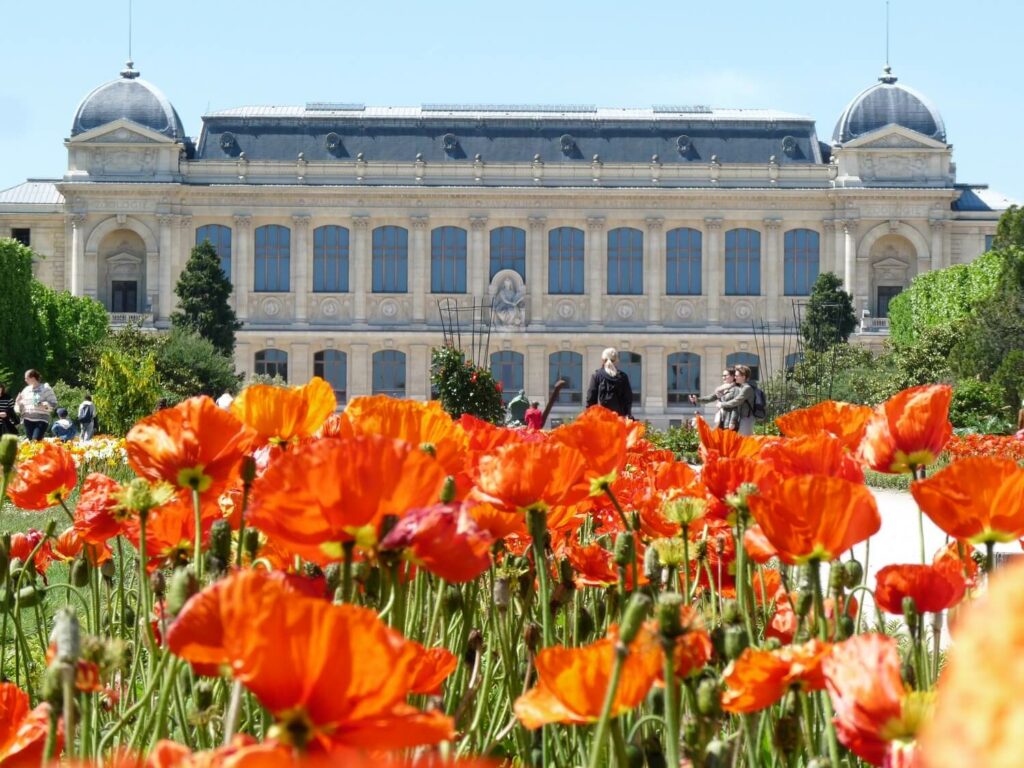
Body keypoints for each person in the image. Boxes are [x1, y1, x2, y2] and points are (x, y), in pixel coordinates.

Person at [585, 347, 633, 419]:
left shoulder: (596, 376)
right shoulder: (623, 377)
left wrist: (589, 416)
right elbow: (628, 398)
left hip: (601, 419)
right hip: (619, 419)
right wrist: (627, 414)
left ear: (602, 360)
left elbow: (590, 398)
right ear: (617, 360)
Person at [14, 369, 57, 441]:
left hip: (41, 419)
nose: (25, 380)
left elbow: (54, 403)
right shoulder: (26, 390)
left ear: (33, 378)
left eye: (26, 378)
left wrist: (45, 405)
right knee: (31, 440)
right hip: (27, 419)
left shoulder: (46, 388)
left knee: (36, 439)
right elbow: (20, 405)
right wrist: (18, 402)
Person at [719, 364, 756, 435]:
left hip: (746, 418)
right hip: (742, 418)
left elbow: (737, 401)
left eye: (737, 376)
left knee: (745, 440)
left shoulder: (746, 388)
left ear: (743, 377)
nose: (735, 377)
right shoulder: (741, 387)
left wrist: (722, 404)